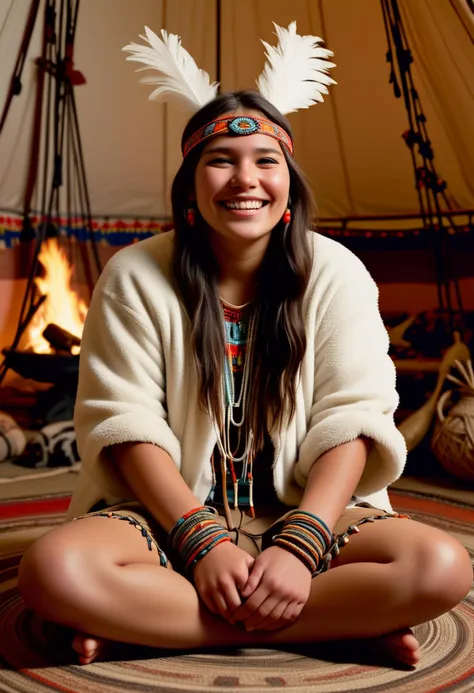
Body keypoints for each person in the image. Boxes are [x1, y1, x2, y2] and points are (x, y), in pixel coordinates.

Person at [18, 24, 472, 668]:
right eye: (221, 161)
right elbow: (126, 425)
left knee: (442, 567)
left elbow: (356, 419)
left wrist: (301, 545)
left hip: (303, 511)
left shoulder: (335, 271)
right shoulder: (135, 274)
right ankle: (338, 622)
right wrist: (201, 543)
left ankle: (143, 623)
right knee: (53, 571)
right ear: (192, 187)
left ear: (288, 181)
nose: (244, 179)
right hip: (169, 517)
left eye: (266, 160)